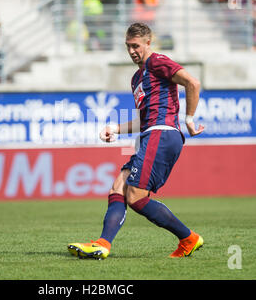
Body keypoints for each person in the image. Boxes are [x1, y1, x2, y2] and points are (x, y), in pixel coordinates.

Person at [68, 22, 205, 260]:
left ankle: (188, 238)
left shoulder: (157, 61)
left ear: (148, 43)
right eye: (128, 46)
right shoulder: (136, 78)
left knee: (135, 196)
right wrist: (116, 129)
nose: (132, 51)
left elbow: (192, 83)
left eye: (136, 46)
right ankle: (103, 244)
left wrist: (190, 119)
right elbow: (144, 117)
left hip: (161, 134)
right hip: (149, 134)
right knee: (118, 188)